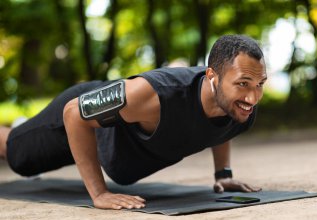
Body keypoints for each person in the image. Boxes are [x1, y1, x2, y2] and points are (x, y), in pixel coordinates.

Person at [0, 34, 267, 210]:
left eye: (260, 84)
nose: (252, 96)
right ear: (213, 76)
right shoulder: (154, 94)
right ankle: (22, 132)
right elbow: (73, 113)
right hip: (80, 121)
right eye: (243, 84)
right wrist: (99, 194)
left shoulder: (238, 104)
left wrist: (224, 174)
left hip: (106, 148)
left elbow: (220, 127)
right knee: (16, 153)